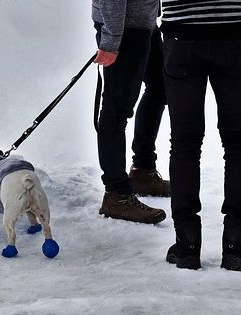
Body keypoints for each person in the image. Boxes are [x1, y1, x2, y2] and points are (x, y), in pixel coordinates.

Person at [160, 0, 241, 271]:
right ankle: (236, 244)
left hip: (183, 31)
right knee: (238, 140)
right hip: (235, 28)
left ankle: (187, 244)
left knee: (184, 142)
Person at [92, 0, 170, 225]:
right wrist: (111, 41)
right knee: (117, 110)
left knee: (161, 87)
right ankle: (116, 195)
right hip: (123, 27)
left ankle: (142, 171)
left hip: (143, 22)